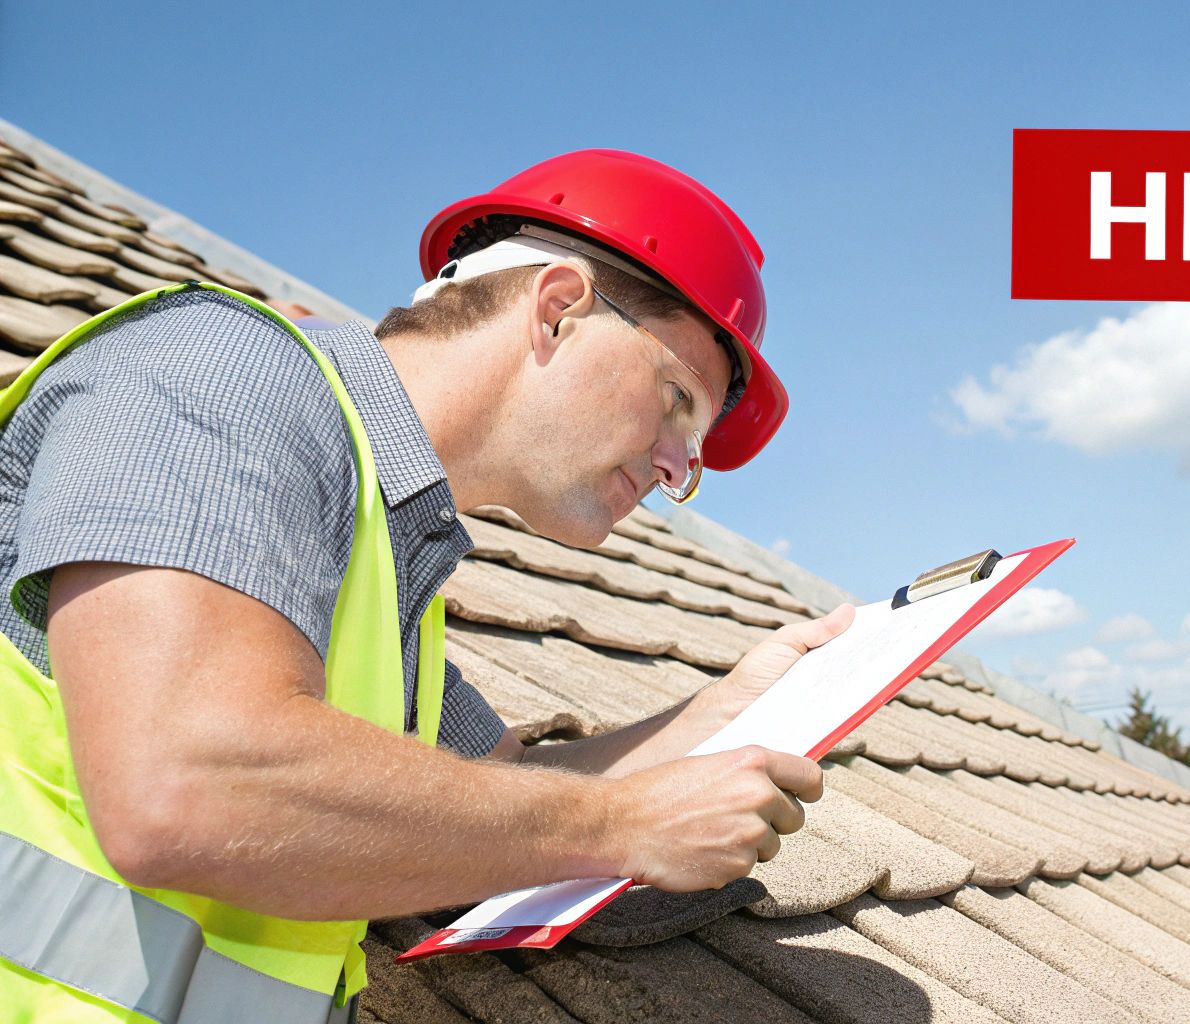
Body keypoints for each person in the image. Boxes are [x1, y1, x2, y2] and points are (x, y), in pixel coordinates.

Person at [0, 150, 851, 1022]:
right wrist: (618, 824)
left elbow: (497, 791)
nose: (677, 470)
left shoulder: (390, 549)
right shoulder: (225, 376)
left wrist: (732, 706)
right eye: (677, 401)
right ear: (558, 311)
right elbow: (186, 783)